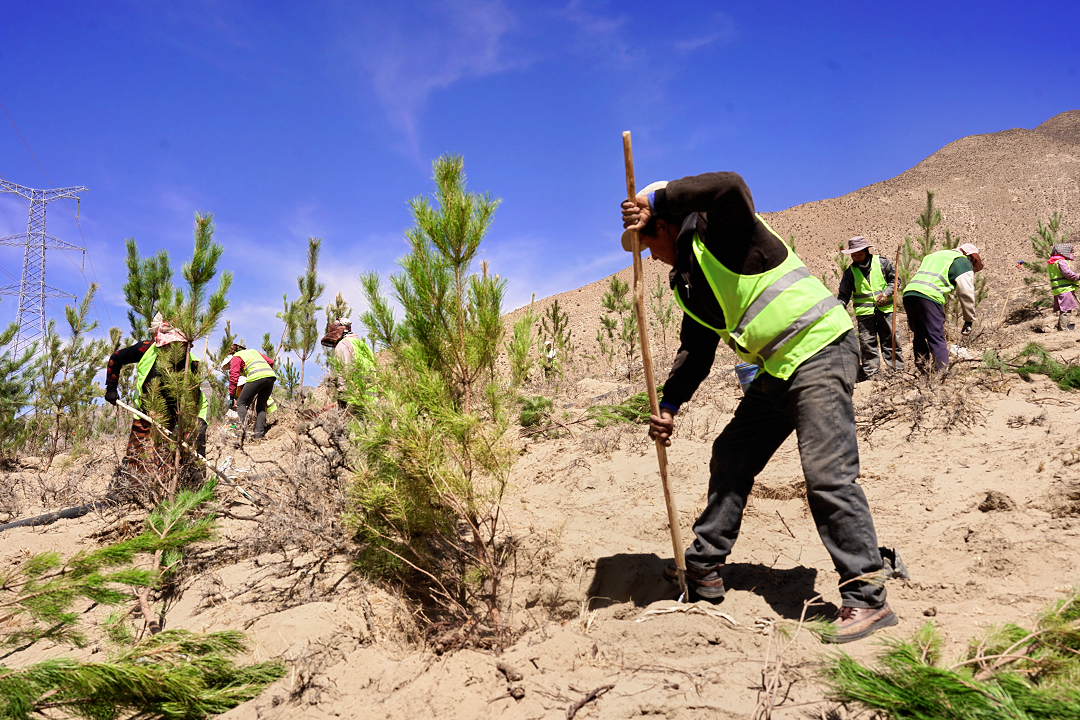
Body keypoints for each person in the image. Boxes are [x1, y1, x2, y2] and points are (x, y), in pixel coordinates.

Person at [621, 172, 896, 643]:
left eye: (647, 243)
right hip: (778, 369)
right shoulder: (688, 281)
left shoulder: (722, 229)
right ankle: (704, 566)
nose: (649, 255)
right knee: (732, 454)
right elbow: (696, 351)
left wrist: (656, 197)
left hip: (820, 348)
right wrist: (669, 404)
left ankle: (868, 596)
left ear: (662, 224)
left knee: (827, 475)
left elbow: (730, 185)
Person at [104, 314, 208, 477]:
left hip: (180, 418)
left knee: (178, 460)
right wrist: (111, 387)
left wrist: (182, 425)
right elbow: (116, 358)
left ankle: (189, 484)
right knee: (137, 458)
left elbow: (193, 401)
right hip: (145, 413)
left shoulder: (192, 364)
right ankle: (130, 487)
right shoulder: (146, 349)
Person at [901, 243, 982, 374]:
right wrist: (968, 320)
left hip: (909, 294)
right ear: (971, 257)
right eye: (973, 263)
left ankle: (924, 372)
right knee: (936, 337)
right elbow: (966, 293)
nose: (972, 266)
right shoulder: (962, 261)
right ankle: (941, 375)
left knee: (919, 336)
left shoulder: (934, 256)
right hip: (930, 297)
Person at [836, 237, 904, 378]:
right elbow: (844, 294)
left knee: (890, 339)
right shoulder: (850, 272)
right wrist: (839, 307)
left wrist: (886, 293)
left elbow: (895, 280)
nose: (857, 257)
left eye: (859, 254)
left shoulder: (882, 263)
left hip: (885, 310)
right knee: (867, 343)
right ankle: (871, 373)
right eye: (854, 255)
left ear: (867, 251)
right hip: (864, 313)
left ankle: (897, 370)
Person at [320, 318, 377, 409]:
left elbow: (345, 370)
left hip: (354, 397)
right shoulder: (363, 345)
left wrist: (342, 392)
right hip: (372, 396)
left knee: (350, 417)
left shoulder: (343, 345)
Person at [226, 342, 277, 443]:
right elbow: (270, 361)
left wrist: (232, 395)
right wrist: (264, 373)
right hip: (271, 377)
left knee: (241, 403)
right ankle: (258, 436)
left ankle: (240, 433)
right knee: (261, 407)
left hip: (256, 377)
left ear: (232, 353)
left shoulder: (236, 357)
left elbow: (234, 376)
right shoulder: (254, 352)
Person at [1047, 243, 1078, 331]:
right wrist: (1078, 277)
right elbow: (1068, 274)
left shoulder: (1051, 263)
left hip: (1057, 289)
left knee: (1064, 308)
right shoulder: (1061, 262)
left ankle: (1063, 327)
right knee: (1066, 310)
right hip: (1064, 288)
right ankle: (1064, 329)